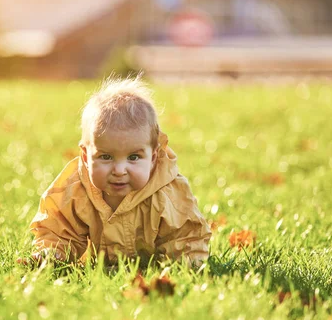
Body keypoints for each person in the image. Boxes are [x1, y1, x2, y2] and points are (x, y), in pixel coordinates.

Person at [27, 77, 211, 267]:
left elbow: (185, 235)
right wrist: (53, 253)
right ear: (85, 157)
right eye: (106, 157)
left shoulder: (167, 193)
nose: (119, 170)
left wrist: (187, 262)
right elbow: (59, 229)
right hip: (96, 270)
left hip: (150, 268)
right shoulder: (75, 190)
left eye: (133, 158)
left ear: (153, 157)